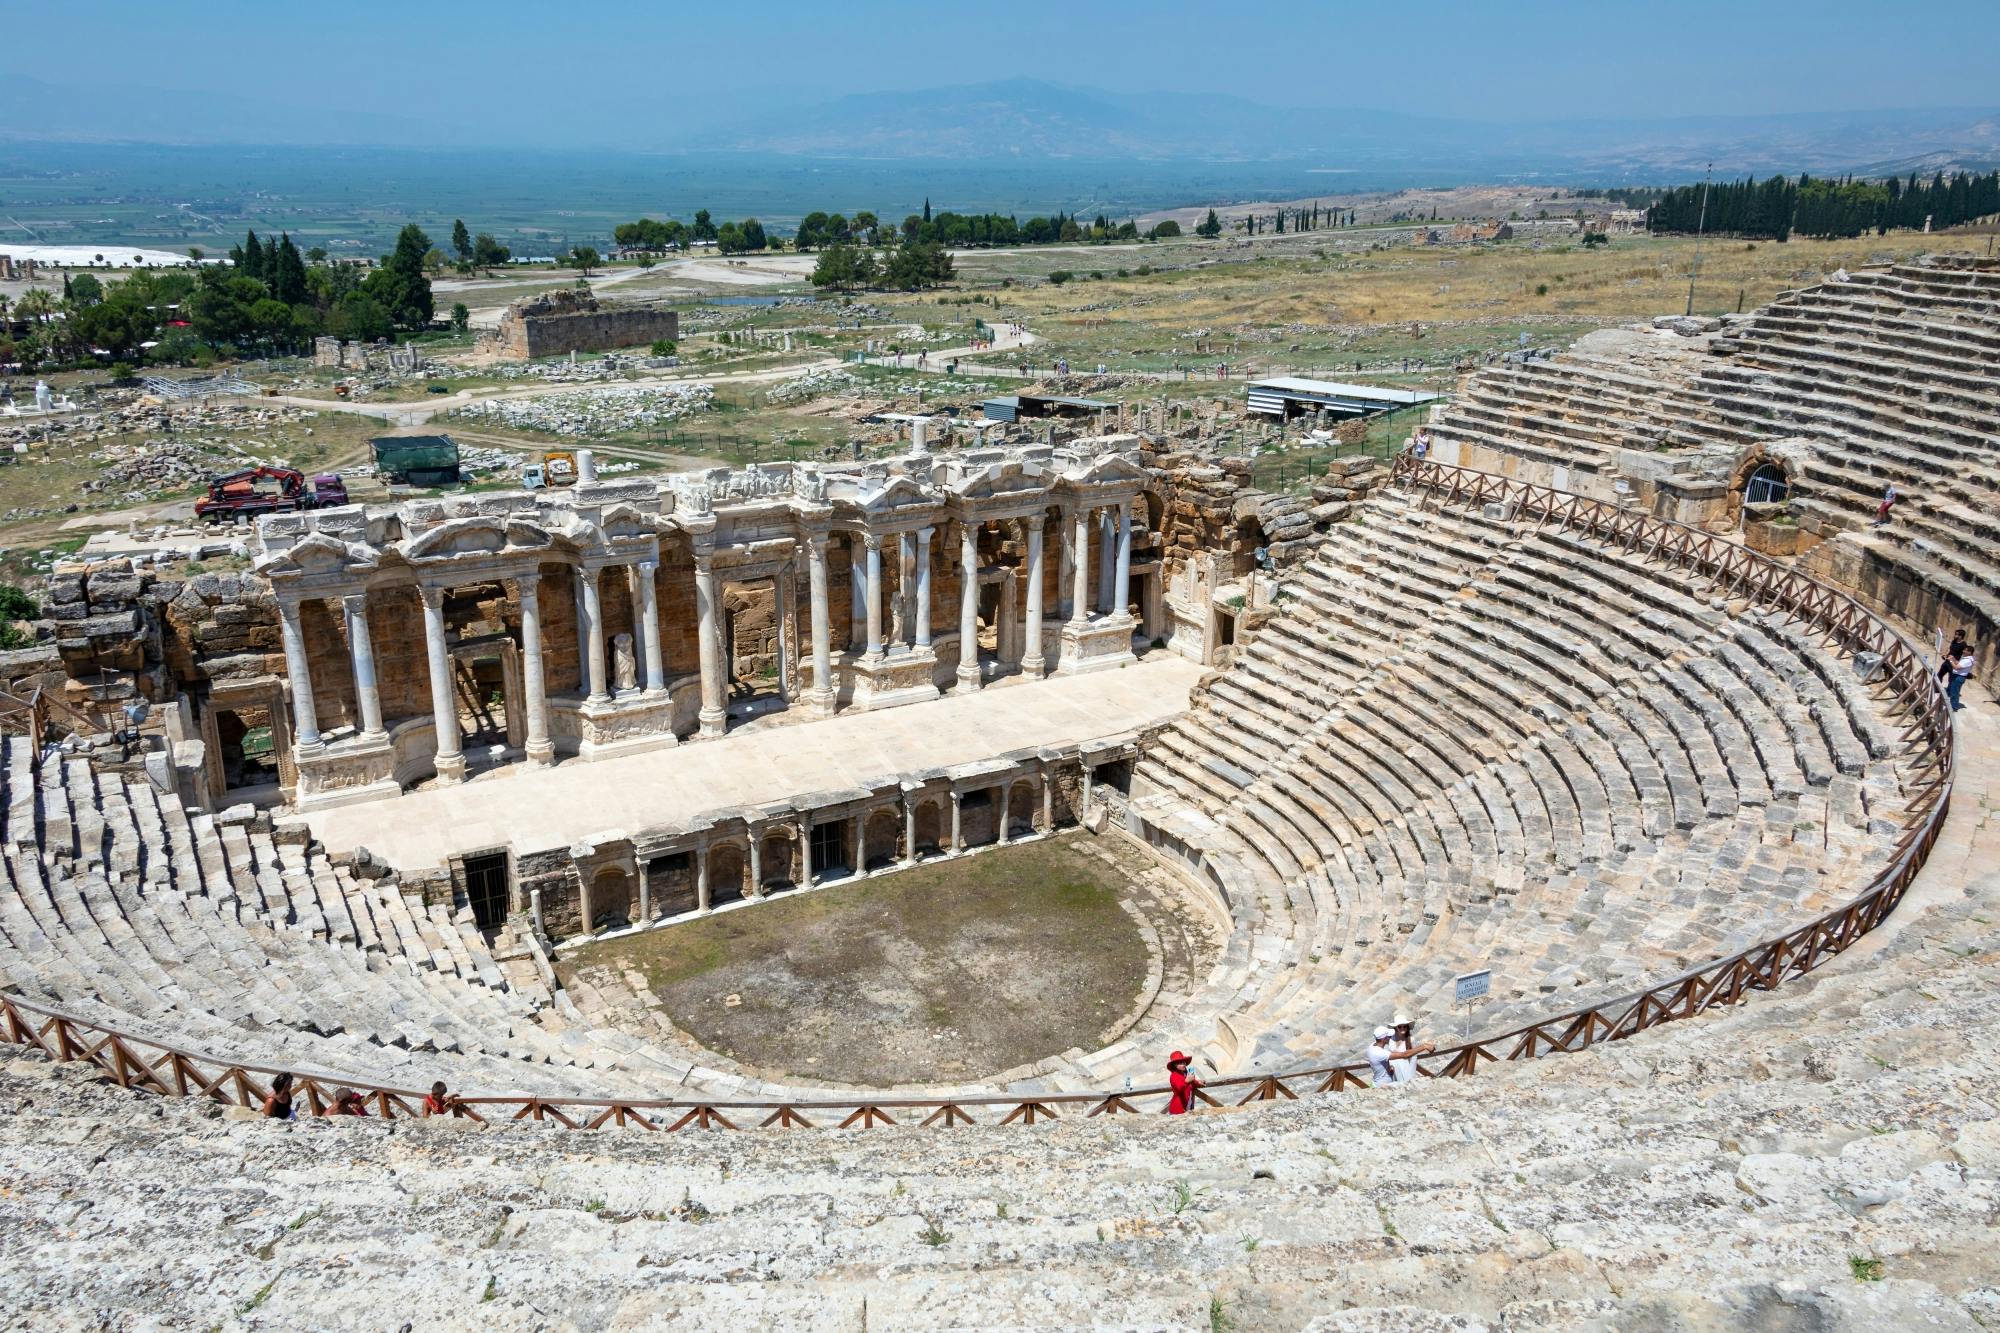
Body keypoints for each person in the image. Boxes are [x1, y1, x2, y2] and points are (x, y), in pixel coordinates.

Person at [1388, 1013, 1435, 1085]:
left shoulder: (1411, 1039)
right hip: (1394, 1069)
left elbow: (1411, 1053)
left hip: (1407, 1067)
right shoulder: (1391, 1038)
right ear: (1396, 1028)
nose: (1402, 1028)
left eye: (1404, 1026)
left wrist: (1424, 1046)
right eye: (1400, 1027)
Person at [1164, 1050, 1201, 1114]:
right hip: (1177, 1110)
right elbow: (1179, 1087)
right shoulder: (1174, 1075)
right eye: (1180, 1063)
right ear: (1175, 1065)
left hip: (1187, 1107)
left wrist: (1197, 1082)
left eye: (1183, 1062)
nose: (1183, 1064)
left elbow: (1191, 1083)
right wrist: (1187, 1081)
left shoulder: (1185, 1073)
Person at [1946, 644, 1976, 712]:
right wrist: (1953, 658)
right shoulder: (1966, 658)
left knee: (1954, 693)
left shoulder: (1968, 660)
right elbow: (1958, 663)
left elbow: (1956, 667)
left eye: (1965, 650)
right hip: (1957, 676)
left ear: (1970, 652)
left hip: (1958, 677)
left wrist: (1950, 661)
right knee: (1953, 691)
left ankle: (1954, 707)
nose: (1963, 651)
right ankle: (1952, 705)